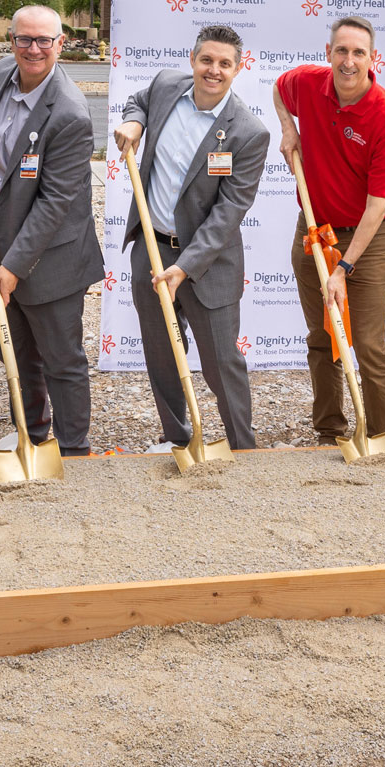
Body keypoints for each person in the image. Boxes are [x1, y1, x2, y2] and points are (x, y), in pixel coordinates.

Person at [0, 4, 104, 455]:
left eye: (44, 41)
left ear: (61, 44)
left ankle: (75, 448)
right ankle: (33, 434)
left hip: (51, 254)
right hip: (0, 235)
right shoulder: (4, 70)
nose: (33, 49)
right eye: (24, 39)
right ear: (12, 41)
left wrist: (14, 265)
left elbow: (56, 203)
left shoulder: (70, 116)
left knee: (61, 358)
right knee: (15, 351)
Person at [113, 25, 268, 450]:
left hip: (207, 264)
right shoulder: (166, 86)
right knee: (162, 355)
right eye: (206, 60)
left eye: (224, 64)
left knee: (222, 363)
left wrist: (184, 267)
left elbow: (228, 214)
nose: (213, 70)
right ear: (192, 59)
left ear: (238, 69)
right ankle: (178, 440)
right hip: (152, 247)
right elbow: (139, 100)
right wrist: (134, 121)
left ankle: (242, 446)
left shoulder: (248, 133)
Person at [274, 16, 385, 444]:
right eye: (341, 51)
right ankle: (329, 430)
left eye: (358, 53)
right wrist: (289, 128)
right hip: (314, 227)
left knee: (368, 344)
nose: (348, 61)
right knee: (321, 337)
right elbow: (279, 88)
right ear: (328, 52)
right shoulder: (308, 83)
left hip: (366, 239)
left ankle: (382, 436)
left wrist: (344, 268)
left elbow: (377, 207)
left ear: (373, 59)